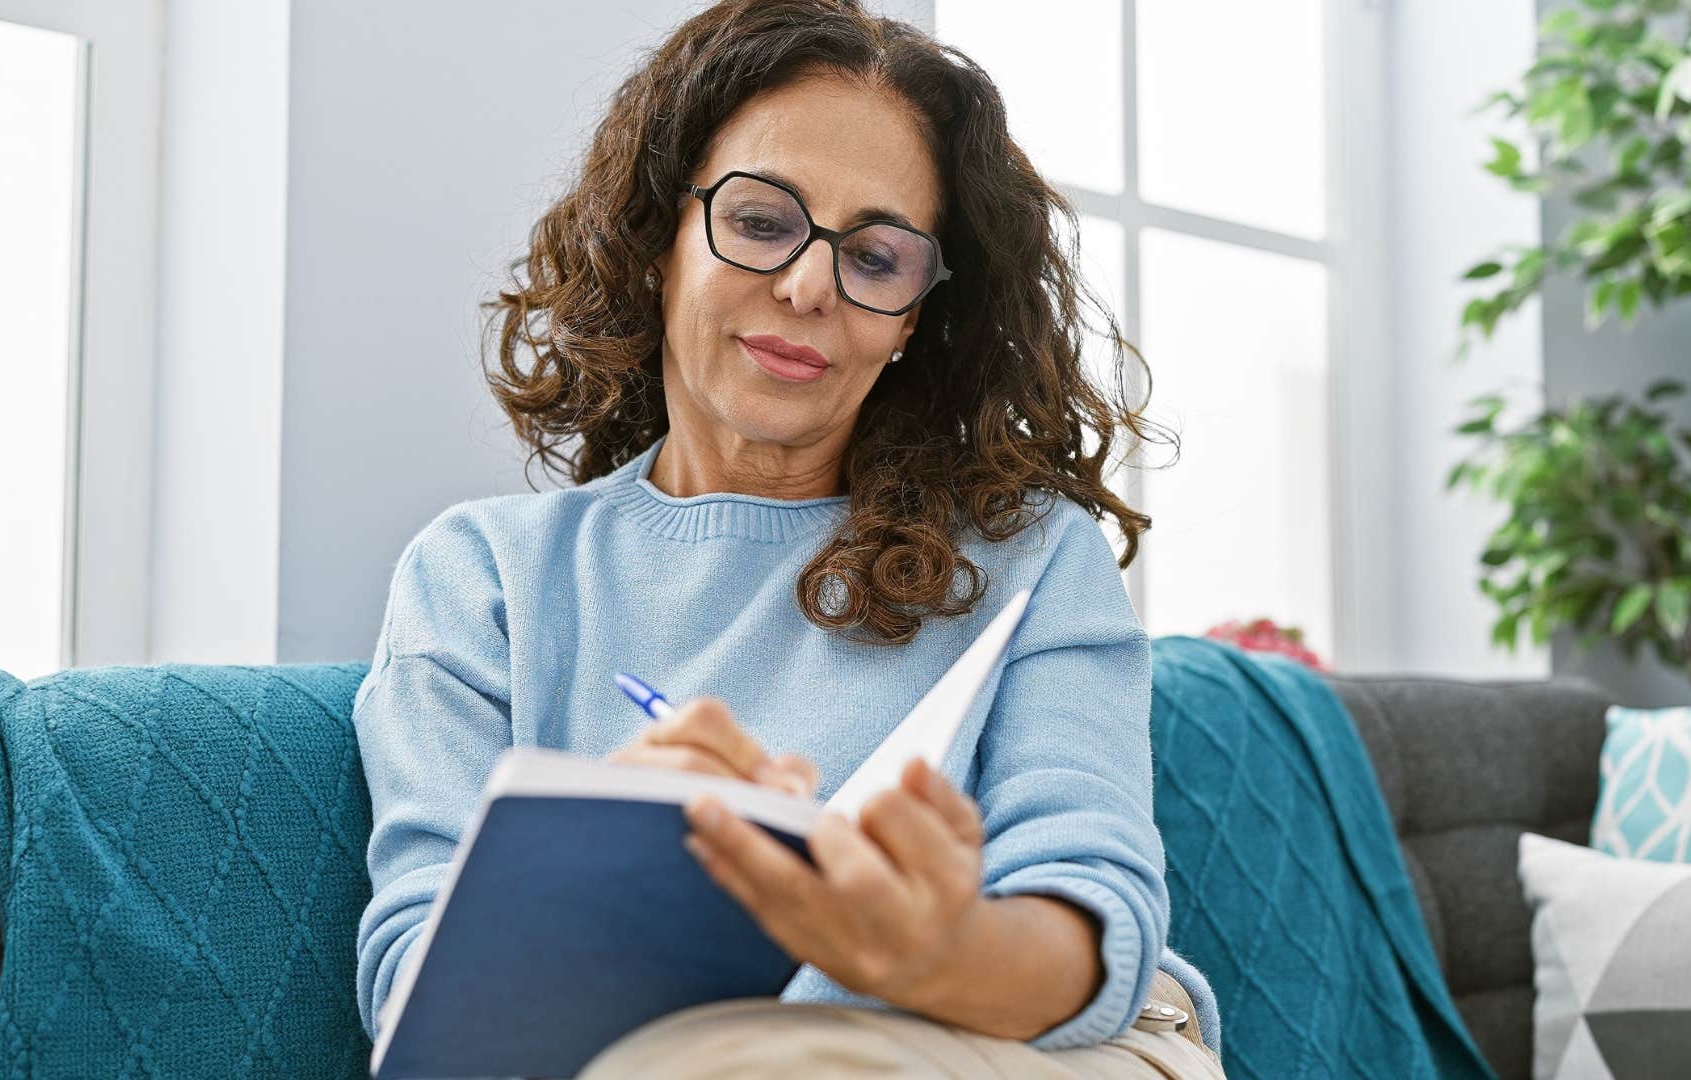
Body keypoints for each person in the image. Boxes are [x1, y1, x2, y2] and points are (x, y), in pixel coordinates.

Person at [352, 1, 1226, 1075]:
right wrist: (607, 874)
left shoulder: (1033, 555)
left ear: (914, 315)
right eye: (762, 222)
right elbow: (422, 1006)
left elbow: (1096, 931)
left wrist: (933, 948)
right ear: (658, 239)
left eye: (878, 256)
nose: (810, 287)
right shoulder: (483, 577)